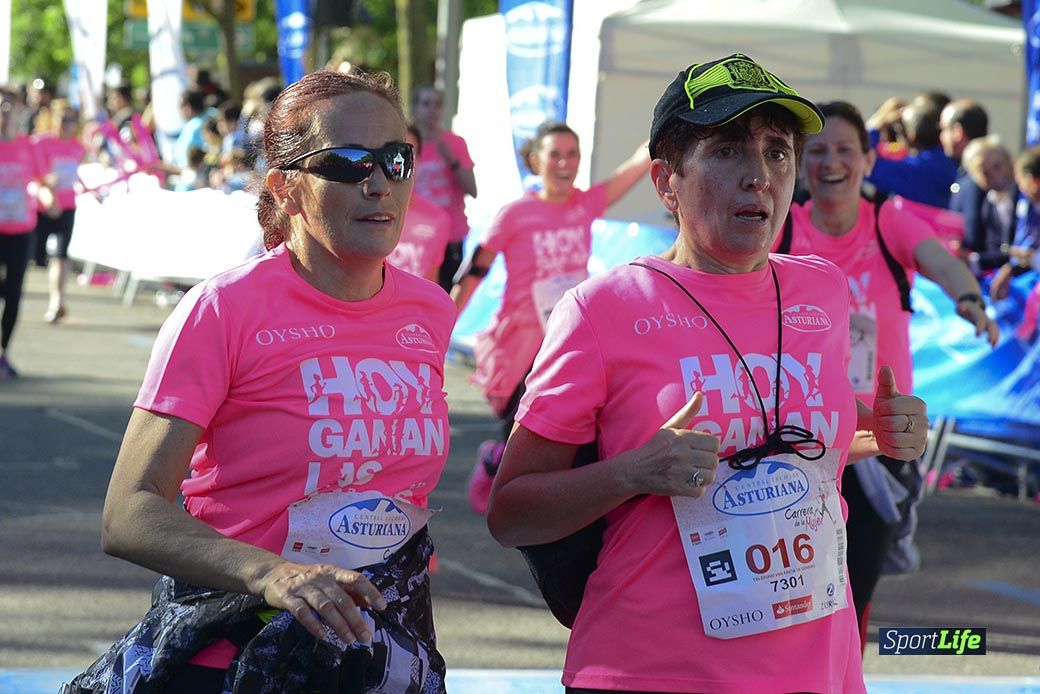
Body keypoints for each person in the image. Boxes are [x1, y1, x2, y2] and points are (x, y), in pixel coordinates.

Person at [486, 53, 928, 693]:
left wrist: (885, 431)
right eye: (726, 151)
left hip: (819, 671)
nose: (759, 176)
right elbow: (510, 513)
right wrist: (633, 472)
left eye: (777, 152)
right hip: (652, 671)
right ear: (666, 182)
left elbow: (791, 436)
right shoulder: (603, 308)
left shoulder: (821, 290)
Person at [65, 70, 455, 693]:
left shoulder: (429, 311)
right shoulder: (223, 310)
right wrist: (274, 573)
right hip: (235, 656)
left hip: (375, 657)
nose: (379, 182)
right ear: (286, 187)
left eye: (396, 159)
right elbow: (128, 513)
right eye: (349, 163)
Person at [781, 100, 998, 644]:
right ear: (801, 164)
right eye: (817, 151)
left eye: (844, 150)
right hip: (799, 434)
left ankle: (844, 676)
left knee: (854, 589)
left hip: (878, 435)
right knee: (789, 595)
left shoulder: (887, 220)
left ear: (869, 160)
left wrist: (969, 299)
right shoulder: (783, 228)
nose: (831, 163)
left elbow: (942, 262)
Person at [453, 120, 651, 514]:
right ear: (535, 161)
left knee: (565, 436)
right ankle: (494, 462)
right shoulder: (515, 214)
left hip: (567, 340)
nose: (565, 163)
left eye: (572, 154)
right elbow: (474, 271)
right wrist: (442, 322)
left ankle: (541, 513)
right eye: (555, 154)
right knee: (519, 436)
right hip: (520, 345)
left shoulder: (585, 204)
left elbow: (635, 165)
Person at [410, 85, 477, 291]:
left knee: (446, 297)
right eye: (426, 104)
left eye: (437, 104)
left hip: (450, 235)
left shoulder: (455, 143)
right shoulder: (406, 144)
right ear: (415, 109)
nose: (432, 110)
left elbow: (472, 190)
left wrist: (452, 161)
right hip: (415, 237)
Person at [31, 102, 85, 323]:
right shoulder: (40, 143)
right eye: (62, 119)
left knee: (61, 256)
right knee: (32, 259)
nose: (66, 124)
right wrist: (47, 189)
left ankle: (57, 301)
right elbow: (35, 174)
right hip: (41, 207)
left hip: (67, 206)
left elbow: (76, 174)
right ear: (53, 120)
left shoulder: (78, 147)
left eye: (71, 120)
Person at [0, 89, 41, 377]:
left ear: (19, 111)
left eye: (9, 107)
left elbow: (41, 179)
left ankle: (3, 353)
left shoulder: (28, 146)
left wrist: (48, 192)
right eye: (1, 107)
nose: (5, 112)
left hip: (21, 231)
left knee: (13, 294)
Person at [387, 125, 451, 281]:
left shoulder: (438, 218)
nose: (399, 161)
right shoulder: (360, 212)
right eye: (392, 153)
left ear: (419, 161)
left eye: (407, 154)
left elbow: (431, 284)